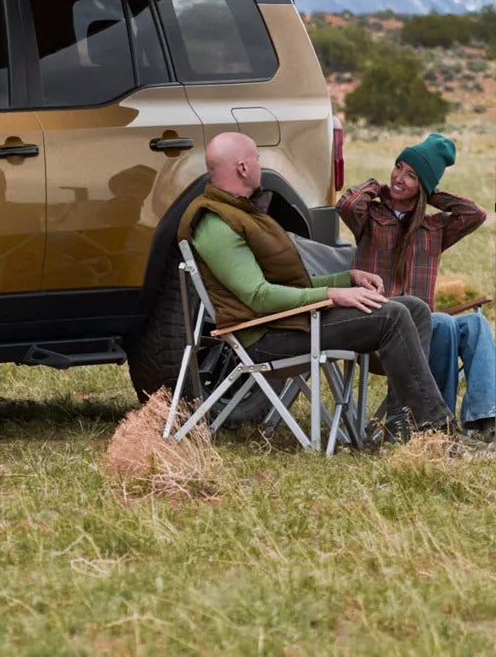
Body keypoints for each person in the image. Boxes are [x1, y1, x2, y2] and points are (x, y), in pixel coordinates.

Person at [178, 132, 450, 437]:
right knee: (393, 316)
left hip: (289, 322)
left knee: (413, 307)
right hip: (267, 338)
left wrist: (348, 278)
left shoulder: (240, 211)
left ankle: (403, 422)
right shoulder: (215, 223)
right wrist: (333, 294)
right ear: (242, 168)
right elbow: (258, 296)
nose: (259, 163)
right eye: (256, 157)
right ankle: (435, 428)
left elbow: (286, 283)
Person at [337, 132, 496, 437]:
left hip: (424, 334)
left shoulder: (433, 228)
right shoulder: (371, 218)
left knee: (476, 325)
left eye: (411, 175)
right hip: (378, 331)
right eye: (398, 167)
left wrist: (430, 193)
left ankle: (488, 421)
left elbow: (474, 215)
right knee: (443, 322)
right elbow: (347, 205)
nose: (399, 177)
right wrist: (378, 187)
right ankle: (434, 427)